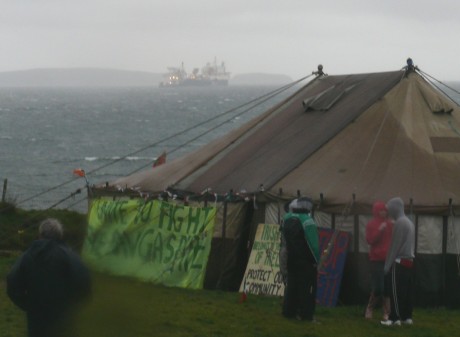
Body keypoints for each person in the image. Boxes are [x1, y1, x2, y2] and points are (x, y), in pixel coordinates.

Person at [7, 218, 91, 337]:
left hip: (36, 320)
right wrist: (72, 306)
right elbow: (84, 283)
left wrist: (27, 304)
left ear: (40, 234)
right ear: (60, 235)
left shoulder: (27, 256)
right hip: (63, 319)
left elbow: (12, 283)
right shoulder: (69, 256)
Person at [279, 197, 319, 321]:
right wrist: (315, 261)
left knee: (291, 286)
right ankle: (306, 315)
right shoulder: (308, 221)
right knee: (306, 289)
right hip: (305, 260)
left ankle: (288, 312)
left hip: (290, 258)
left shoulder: (286, 218)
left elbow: (283, 241)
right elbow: (313, 244)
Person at [381, 197, 415, 326]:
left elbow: (394, 246)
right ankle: (407, 317)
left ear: (395, 209)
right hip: (409, 261)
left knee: (395, 292)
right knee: (406, 292)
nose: (389, 212)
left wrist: (387, 265)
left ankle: (394, 319)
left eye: (390, 209)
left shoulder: (400, 223)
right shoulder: (409, 222)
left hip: (399, 261)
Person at [364, 201, 393, 320]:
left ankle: (386, 312)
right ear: (376, 211)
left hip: (388, 259)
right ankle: (369, 308)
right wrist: (380, 230)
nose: (384, 212)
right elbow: (370, 240)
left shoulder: (390, 224)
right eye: (381, 210)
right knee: (378, 287)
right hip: (376, 259)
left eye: (385, 210)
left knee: (387, 287)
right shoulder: (371, 225)